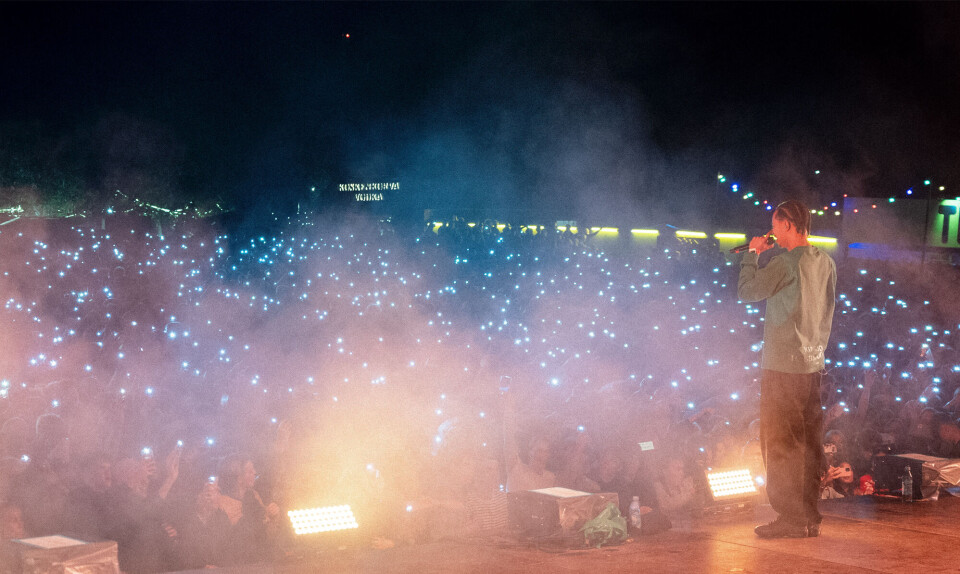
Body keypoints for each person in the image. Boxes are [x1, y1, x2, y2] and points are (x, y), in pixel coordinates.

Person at [738, 200, 837, 539]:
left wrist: (752, 254)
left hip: (782, 367)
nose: (773, 233)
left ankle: (791, 518)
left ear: (789, 225)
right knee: (809, 443)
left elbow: (747, 291)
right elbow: (827, 311)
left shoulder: (784, 262)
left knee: (780, 443)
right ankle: (808, 516)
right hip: (812, 365)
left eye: (776, 226)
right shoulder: (825, 262)